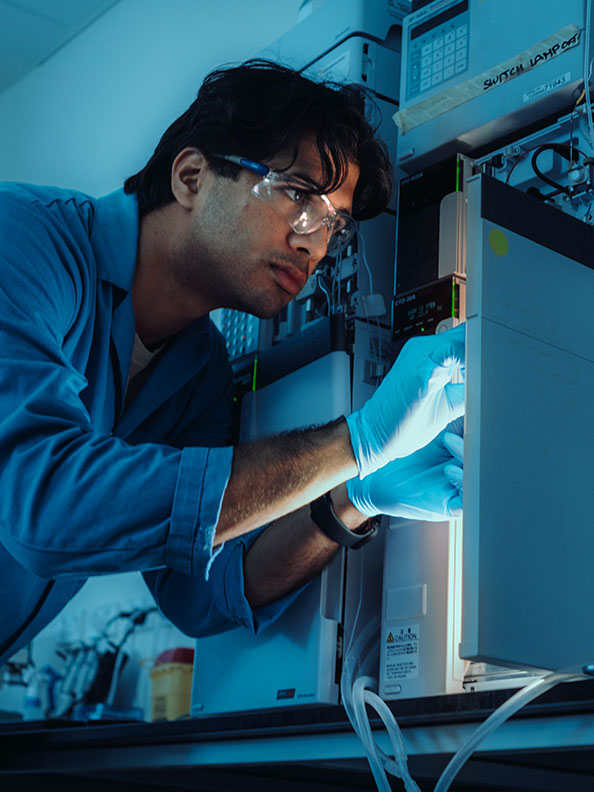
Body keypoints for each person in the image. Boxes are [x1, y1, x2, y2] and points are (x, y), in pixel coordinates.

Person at [0, 61, 464, 667]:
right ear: (192, 177)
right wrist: (357, 441)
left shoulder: (200, 373)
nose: (314, 244)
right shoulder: (25, 242)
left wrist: (354, 496)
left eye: (334, 226)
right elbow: (44, 503)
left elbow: (200, 592)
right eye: (298, 195)